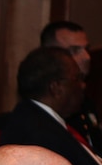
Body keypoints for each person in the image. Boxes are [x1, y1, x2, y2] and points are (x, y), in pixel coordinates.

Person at [0, 46, 102, 165]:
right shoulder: (39, 136)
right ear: (56, 88)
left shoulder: (47, 120)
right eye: (77, 78)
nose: (83, 85)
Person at [41, 20, 101, 151]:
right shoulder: (50, 103)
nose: (86, 57)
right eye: (74, 50)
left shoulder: (87, 99)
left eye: (86, 49)